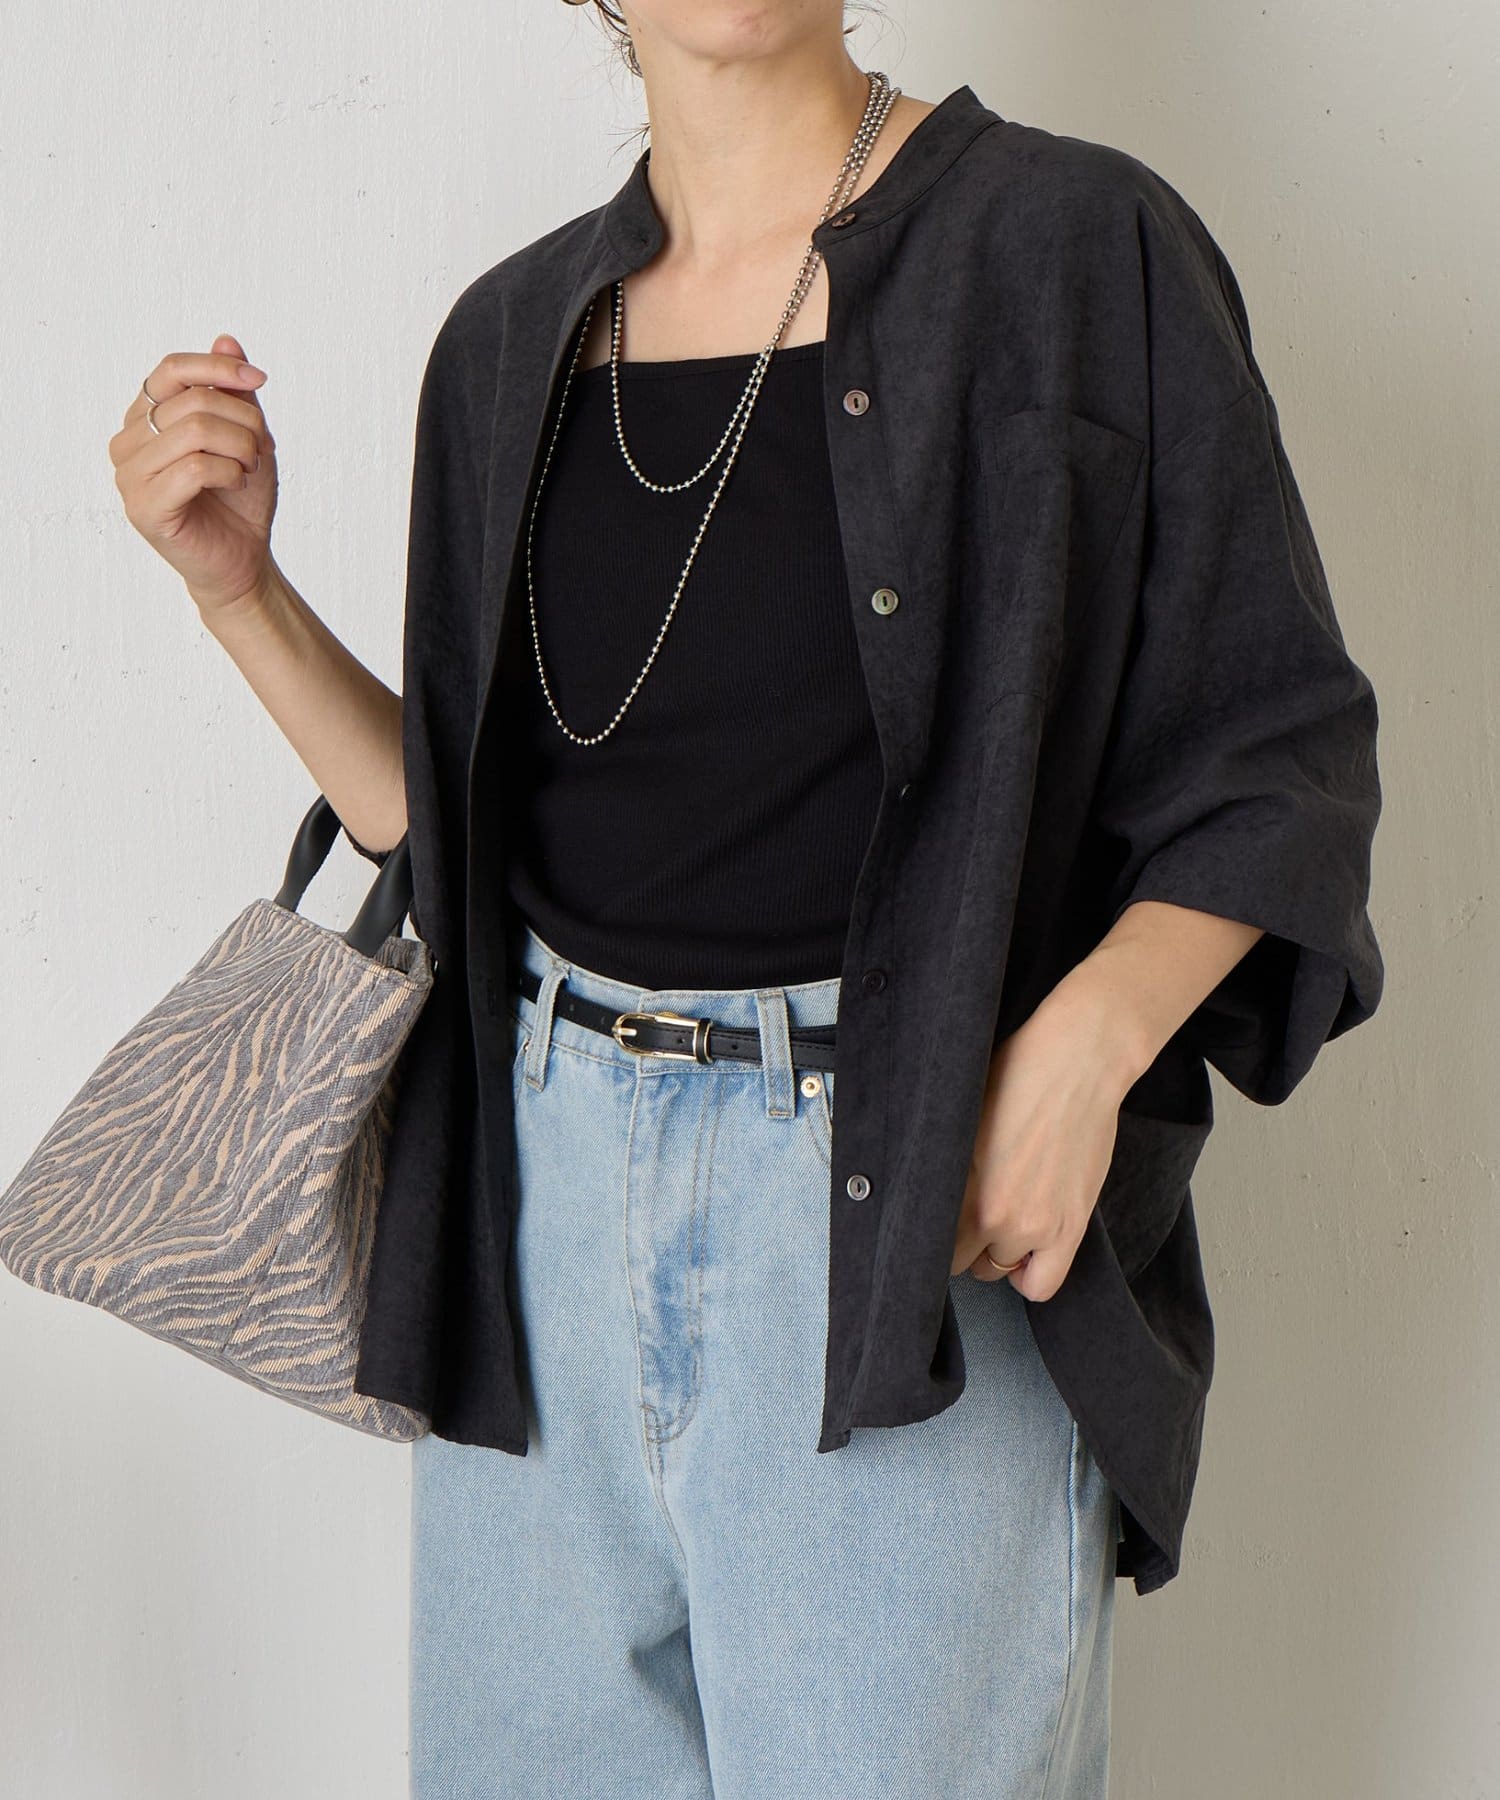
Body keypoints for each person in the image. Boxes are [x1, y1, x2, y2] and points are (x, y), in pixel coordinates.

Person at [106, 4, 1384, 1794]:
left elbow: (1278, 748)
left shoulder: (1077, 247)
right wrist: (239, 592)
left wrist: (1087, 1047)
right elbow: (462, 843)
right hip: (536, 1231)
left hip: (903, 1219)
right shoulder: (507, 339)